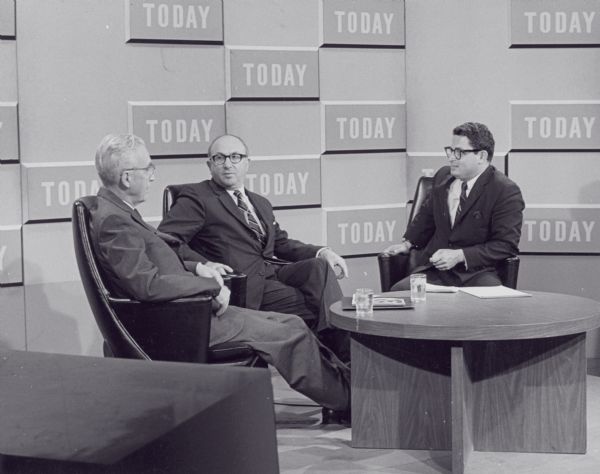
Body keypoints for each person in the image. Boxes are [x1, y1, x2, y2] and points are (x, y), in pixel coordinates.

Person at [89, 133, 350, 421]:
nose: (152, 176)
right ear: (127, 178)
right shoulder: (117, 220)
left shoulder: (123, 214)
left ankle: (349, 377)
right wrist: (209, 283)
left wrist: (196, 270)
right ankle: (348, 399)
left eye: (236, 157)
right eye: (148, 168)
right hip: (188, 318)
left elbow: (157, 262)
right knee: (290, 333)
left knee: (294, 318)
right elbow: (147, 284)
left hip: (204, 304)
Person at [158, 134, 350, 361]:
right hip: (243, 284)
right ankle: (346, 359)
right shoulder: (197, 197)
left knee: (319, 267)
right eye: (219, 158)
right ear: (209, 165)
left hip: (273, 274)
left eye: (235, 157)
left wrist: (322, 251)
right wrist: (203, 264)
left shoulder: (260, 202)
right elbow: (166, 240)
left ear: (248, 162)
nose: (228, 164)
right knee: (325, 307)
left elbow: (281, 244)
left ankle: (341, 356)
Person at [383, 122, 524, 290]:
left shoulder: (505, 191)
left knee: (490, 309)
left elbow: (505, 245)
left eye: (459, 153)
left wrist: (460, 256)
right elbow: (426, 218)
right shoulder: (443, 177)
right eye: (450, 151)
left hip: (477, 273)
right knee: (399, 292)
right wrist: (406, 244)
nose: (451, 158)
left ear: (481, 156)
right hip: (435, 271)